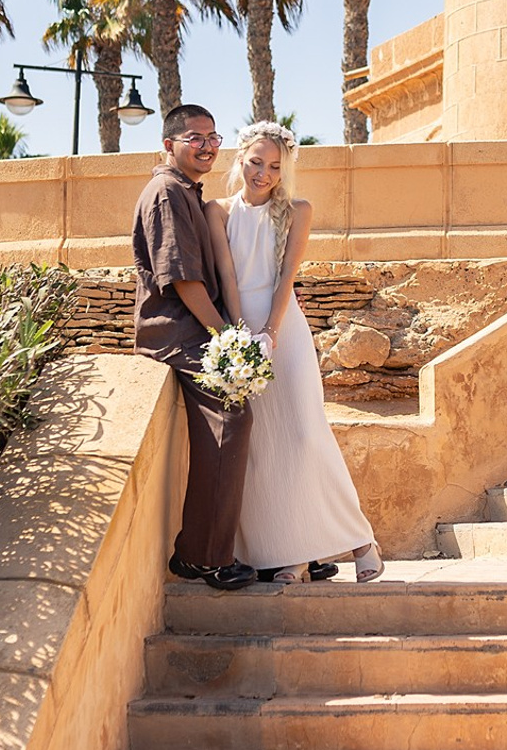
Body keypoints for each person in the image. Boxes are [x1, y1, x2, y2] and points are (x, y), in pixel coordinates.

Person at [206, 121, 384, 583]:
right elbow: (228, 279)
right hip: (241, 334)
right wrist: (236, 337)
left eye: (273, 166)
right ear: (240, 158)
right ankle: (292, 554)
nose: (262, 173)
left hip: (286, 333)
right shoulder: (218, 212)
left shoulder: (297, 211)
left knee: (305, 435)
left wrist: (271, 331)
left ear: (284, 170)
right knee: (264, 446)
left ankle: (362, 540)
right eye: (255, 162)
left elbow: (286, 278)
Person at [131, 104, 258, 591]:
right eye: (194, 137)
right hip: (178, 333)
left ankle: (206, 552)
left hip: (191, 331)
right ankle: (202, 558)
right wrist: (224, 337)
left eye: (212, 136)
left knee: (236, 418)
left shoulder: (184, 191)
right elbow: (183, 279)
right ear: (169, 144)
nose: (206, 145)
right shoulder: (166, 192)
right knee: (231, 417)